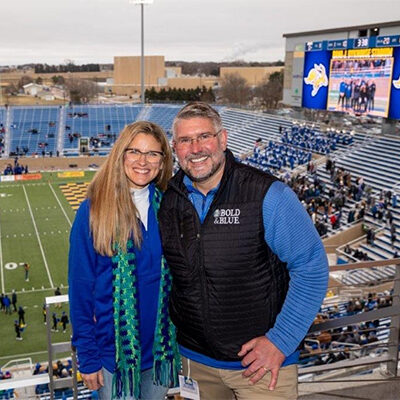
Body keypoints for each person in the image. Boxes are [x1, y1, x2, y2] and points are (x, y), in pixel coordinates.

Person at [159, 102, 329, 400]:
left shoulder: (267, 194)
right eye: (185, 140)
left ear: (223, 139)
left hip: (261, 365)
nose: (196, 148)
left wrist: (281, 340)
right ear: (175, 147)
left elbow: (311, 266)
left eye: (204, 137)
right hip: (195, 362)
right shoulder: (168, 201)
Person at [68, 121, 180, 400]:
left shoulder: (169, 206)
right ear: (121, 154)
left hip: (159, 354)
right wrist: (89, 357)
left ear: (163, 160)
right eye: (135, 152)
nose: (143, 161)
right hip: (114, 359)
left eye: (153, 154)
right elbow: (81, 289)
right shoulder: (93, 211)